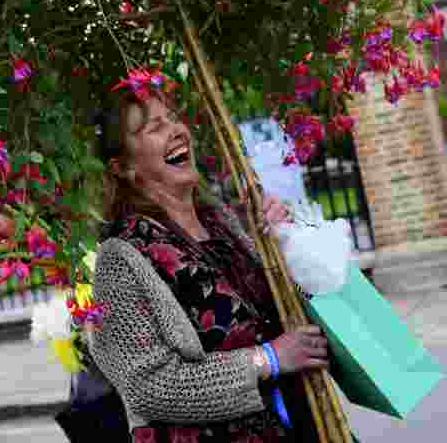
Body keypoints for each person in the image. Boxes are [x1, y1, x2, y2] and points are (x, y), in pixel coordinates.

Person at [88, 93, 332, 442]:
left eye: (174, 119)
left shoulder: (220, 220)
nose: (177, 131)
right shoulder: (121, 257)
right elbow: (148, 387)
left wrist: (285, 243)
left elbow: (281, 315)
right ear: (123, 167)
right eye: (156, 127)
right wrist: (269, 360)